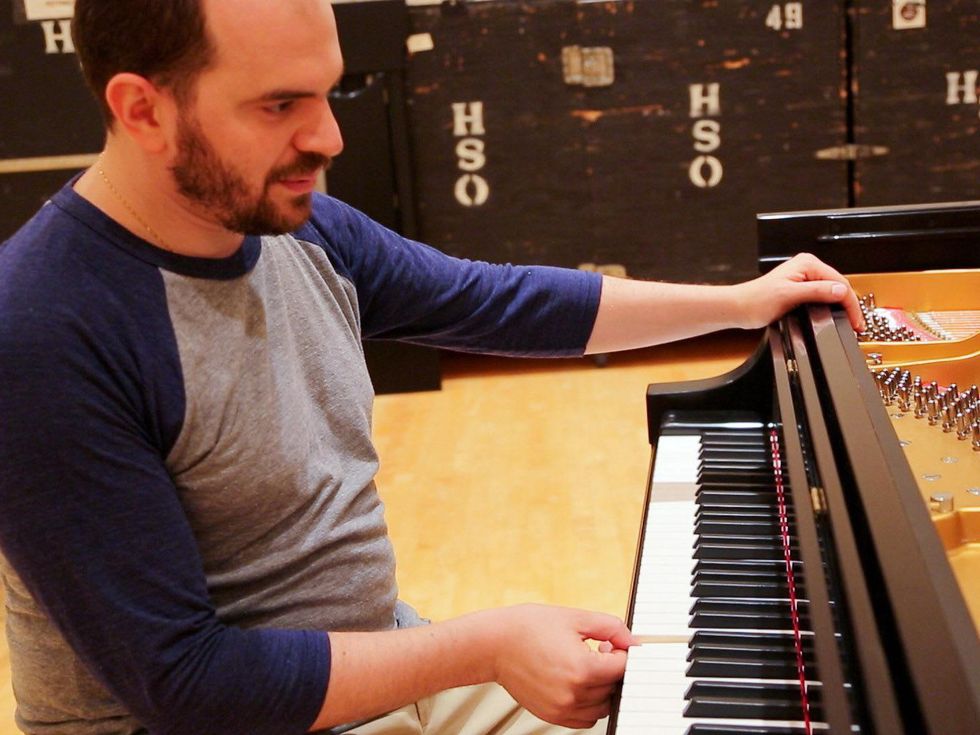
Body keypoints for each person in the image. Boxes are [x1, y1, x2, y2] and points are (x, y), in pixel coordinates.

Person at [0, 1, 864, 734]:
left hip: (376, 672)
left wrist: (738, 303)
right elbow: (189, 684)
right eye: (279, 105)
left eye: (329, 91)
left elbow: (498, 299)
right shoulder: (44, 332)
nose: (328, 135)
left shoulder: (297, 230)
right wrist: (487, 645)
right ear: (143, 110)